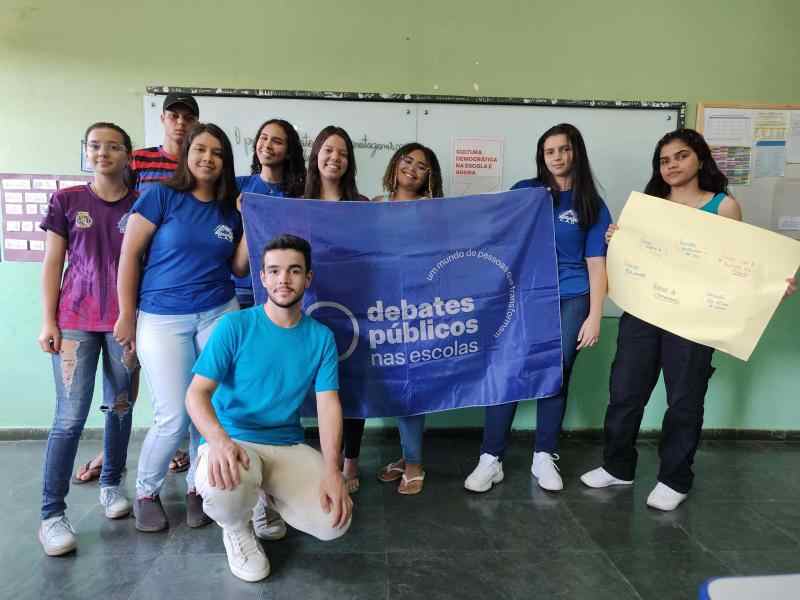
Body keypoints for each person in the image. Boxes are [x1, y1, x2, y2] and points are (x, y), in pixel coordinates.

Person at [578, 128, 792, 510]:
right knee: (625, 392)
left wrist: (773, 284)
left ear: (699, 159)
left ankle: (674, 478)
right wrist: (618, 240)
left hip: (694, 320)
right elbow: (635, 261)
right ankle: (618, 466)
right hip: (643, 314)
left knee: (684, 400)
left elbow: (737, 266)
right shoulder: (649, 206)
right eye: (664, 160)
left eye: (680, 156)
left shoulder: (723, 206)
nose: (672, 165)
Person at [186, 234, 352, 582]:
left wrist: (334, 471)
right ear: (262, 277)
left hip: (285, 444)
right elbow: (196, 394)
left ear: (308, 278)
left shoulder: (320, 337)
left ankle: (264, 498)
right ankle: (237, 528)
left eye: (294, 271)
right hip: (233, 442)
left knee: (333, 522)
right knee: (220, 486)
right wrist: (217, 441)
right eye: (274, 271)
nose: (283, 280)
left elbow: (328, 404)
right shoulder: (235, 326)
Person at [114, 123, 249, 531]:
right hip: (162, 317)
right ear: (186, 154)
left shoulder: (229, 208)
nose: (208, 158)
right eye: (200, 150)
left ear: (226, 161)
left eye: (217, 152)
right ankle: (146, 490)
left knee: (210, 409)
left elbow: (239, 267)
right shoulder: (160, 196)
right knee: (172, 414)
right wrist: (125, 314)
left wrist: (248, 221)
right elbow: (129, 256)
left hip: (218, 312)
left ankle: (197, 486)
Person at [464, 123, 611, 493]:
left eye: (563, 149)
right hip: (525, 296)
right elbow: (491, 231)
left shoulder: (591, 203)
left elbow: (596, 263)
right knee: (508, 369)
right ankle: (490, 458)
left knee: (555, 372)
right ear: (541, 157)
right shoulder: (526, 193)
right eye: (550, 151)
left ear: (576, 151)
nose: (557, 157)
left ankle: (544, 455)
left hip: (572, 296)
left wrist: (595, 315)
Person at [73, 93, 200, 484]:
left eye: (187, 116)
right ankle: (113, 453)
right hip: (131, 281)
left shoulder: (201, 165)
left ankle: (177, 445)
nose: (180, 122)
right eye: (173, 115)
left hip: (179, 282)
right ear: (163, 118)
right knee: (129, 368)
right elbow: (116, 205)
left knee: (178, 370)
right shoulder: (139, 160)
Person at [37, 122, 138, 555]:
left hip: (125, 326)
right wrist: (48, 321)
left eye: (113, 147)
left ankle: (112, 485)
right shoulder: (67, 200)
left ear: (127, 155)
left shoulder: (141, 204)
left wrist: (135, 321)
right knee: (70, 417)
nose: (103, 154)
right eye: (95, 146)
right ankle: (51, 515)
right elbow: (51, 263)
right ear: (86, 152)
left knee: (119, 408)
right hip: (74, 322)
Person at [369, 143, 444, 494]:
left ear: (431, 176)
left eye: (423, 166)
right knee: (393, 385)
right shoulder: (373, 207)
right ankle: (405, 455)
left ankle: (414, 463)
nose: (413, 169)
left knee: (412, 385)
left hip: (418, 311)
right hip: (380, 310)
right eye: (408, 160)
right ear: (396, 164)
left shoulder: (436, 212)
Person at [303, 126, 368, 492]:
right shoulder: (296, 202)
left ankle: (350, 463)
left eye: (342, 153)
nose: (335, 158)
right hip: (310, 308)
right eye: (328, 150)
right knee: (313, 387)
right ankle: (317, 460)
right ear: (317, 156)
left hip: (355, 308)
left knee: (353, 387)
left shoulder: (361, 206)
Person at [233, 118, 305, 308]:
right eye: (263, 138)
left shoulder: (299, 194)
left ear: (289, 152)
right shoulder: (237, 187)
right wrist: (247, 217)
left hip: (283, 291)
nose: (267, 145)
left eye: (277, 141)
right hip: (243, 290)